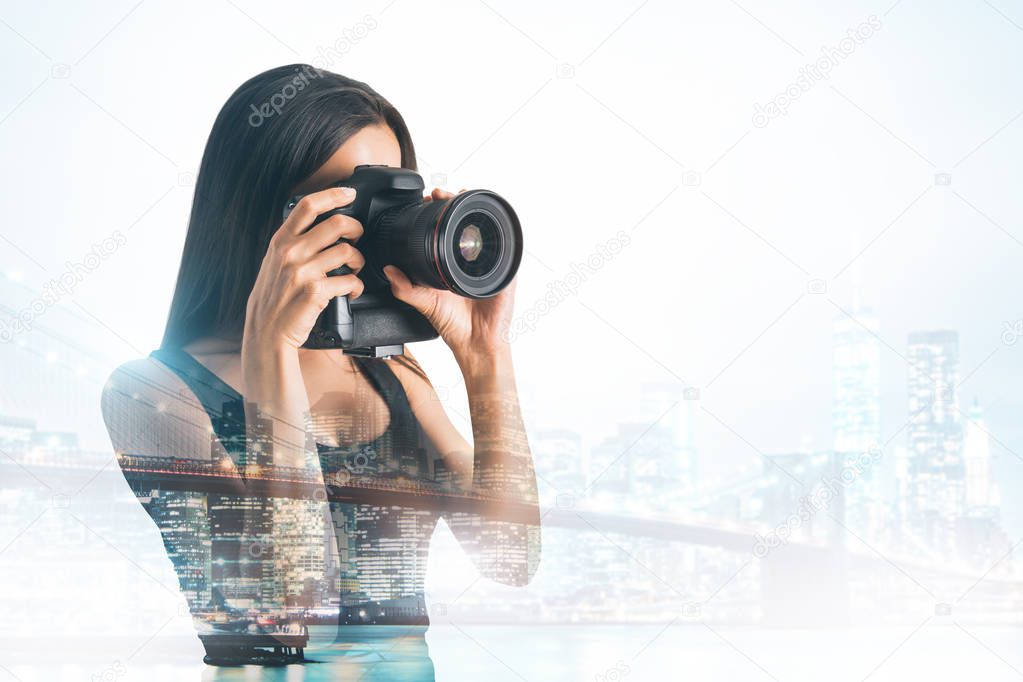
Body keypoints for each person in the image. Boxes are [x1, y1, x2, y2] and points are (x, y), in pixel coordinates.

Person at [101, 64, 540, 680]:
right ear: (258, 215)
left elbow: (510, 558)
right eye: (350, 203)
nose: (376, 227)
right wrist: (273, 346)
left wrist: (487, 357)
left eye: (393, 200)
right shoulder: (155, 392)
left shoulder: (393, 377)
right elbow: (296, 610)